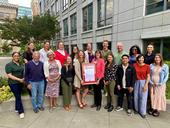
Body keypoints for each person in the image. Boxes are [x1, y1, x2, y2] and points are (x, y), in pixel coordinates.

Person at [5, 52, 25, 119]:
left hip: (20, 83)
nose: (17, 57)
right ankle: (21, 111)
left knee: (18, 96)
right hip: (13, 83)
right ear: (12, 57)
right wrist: (19, 79)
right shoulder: (9, 65)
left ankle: (17, 108)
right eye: (15, 56)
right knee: (18, 96)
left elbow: (23, 72)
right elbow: (9, 75)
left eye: (18, 56)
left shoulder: (20, 64)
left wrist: (23, 78)